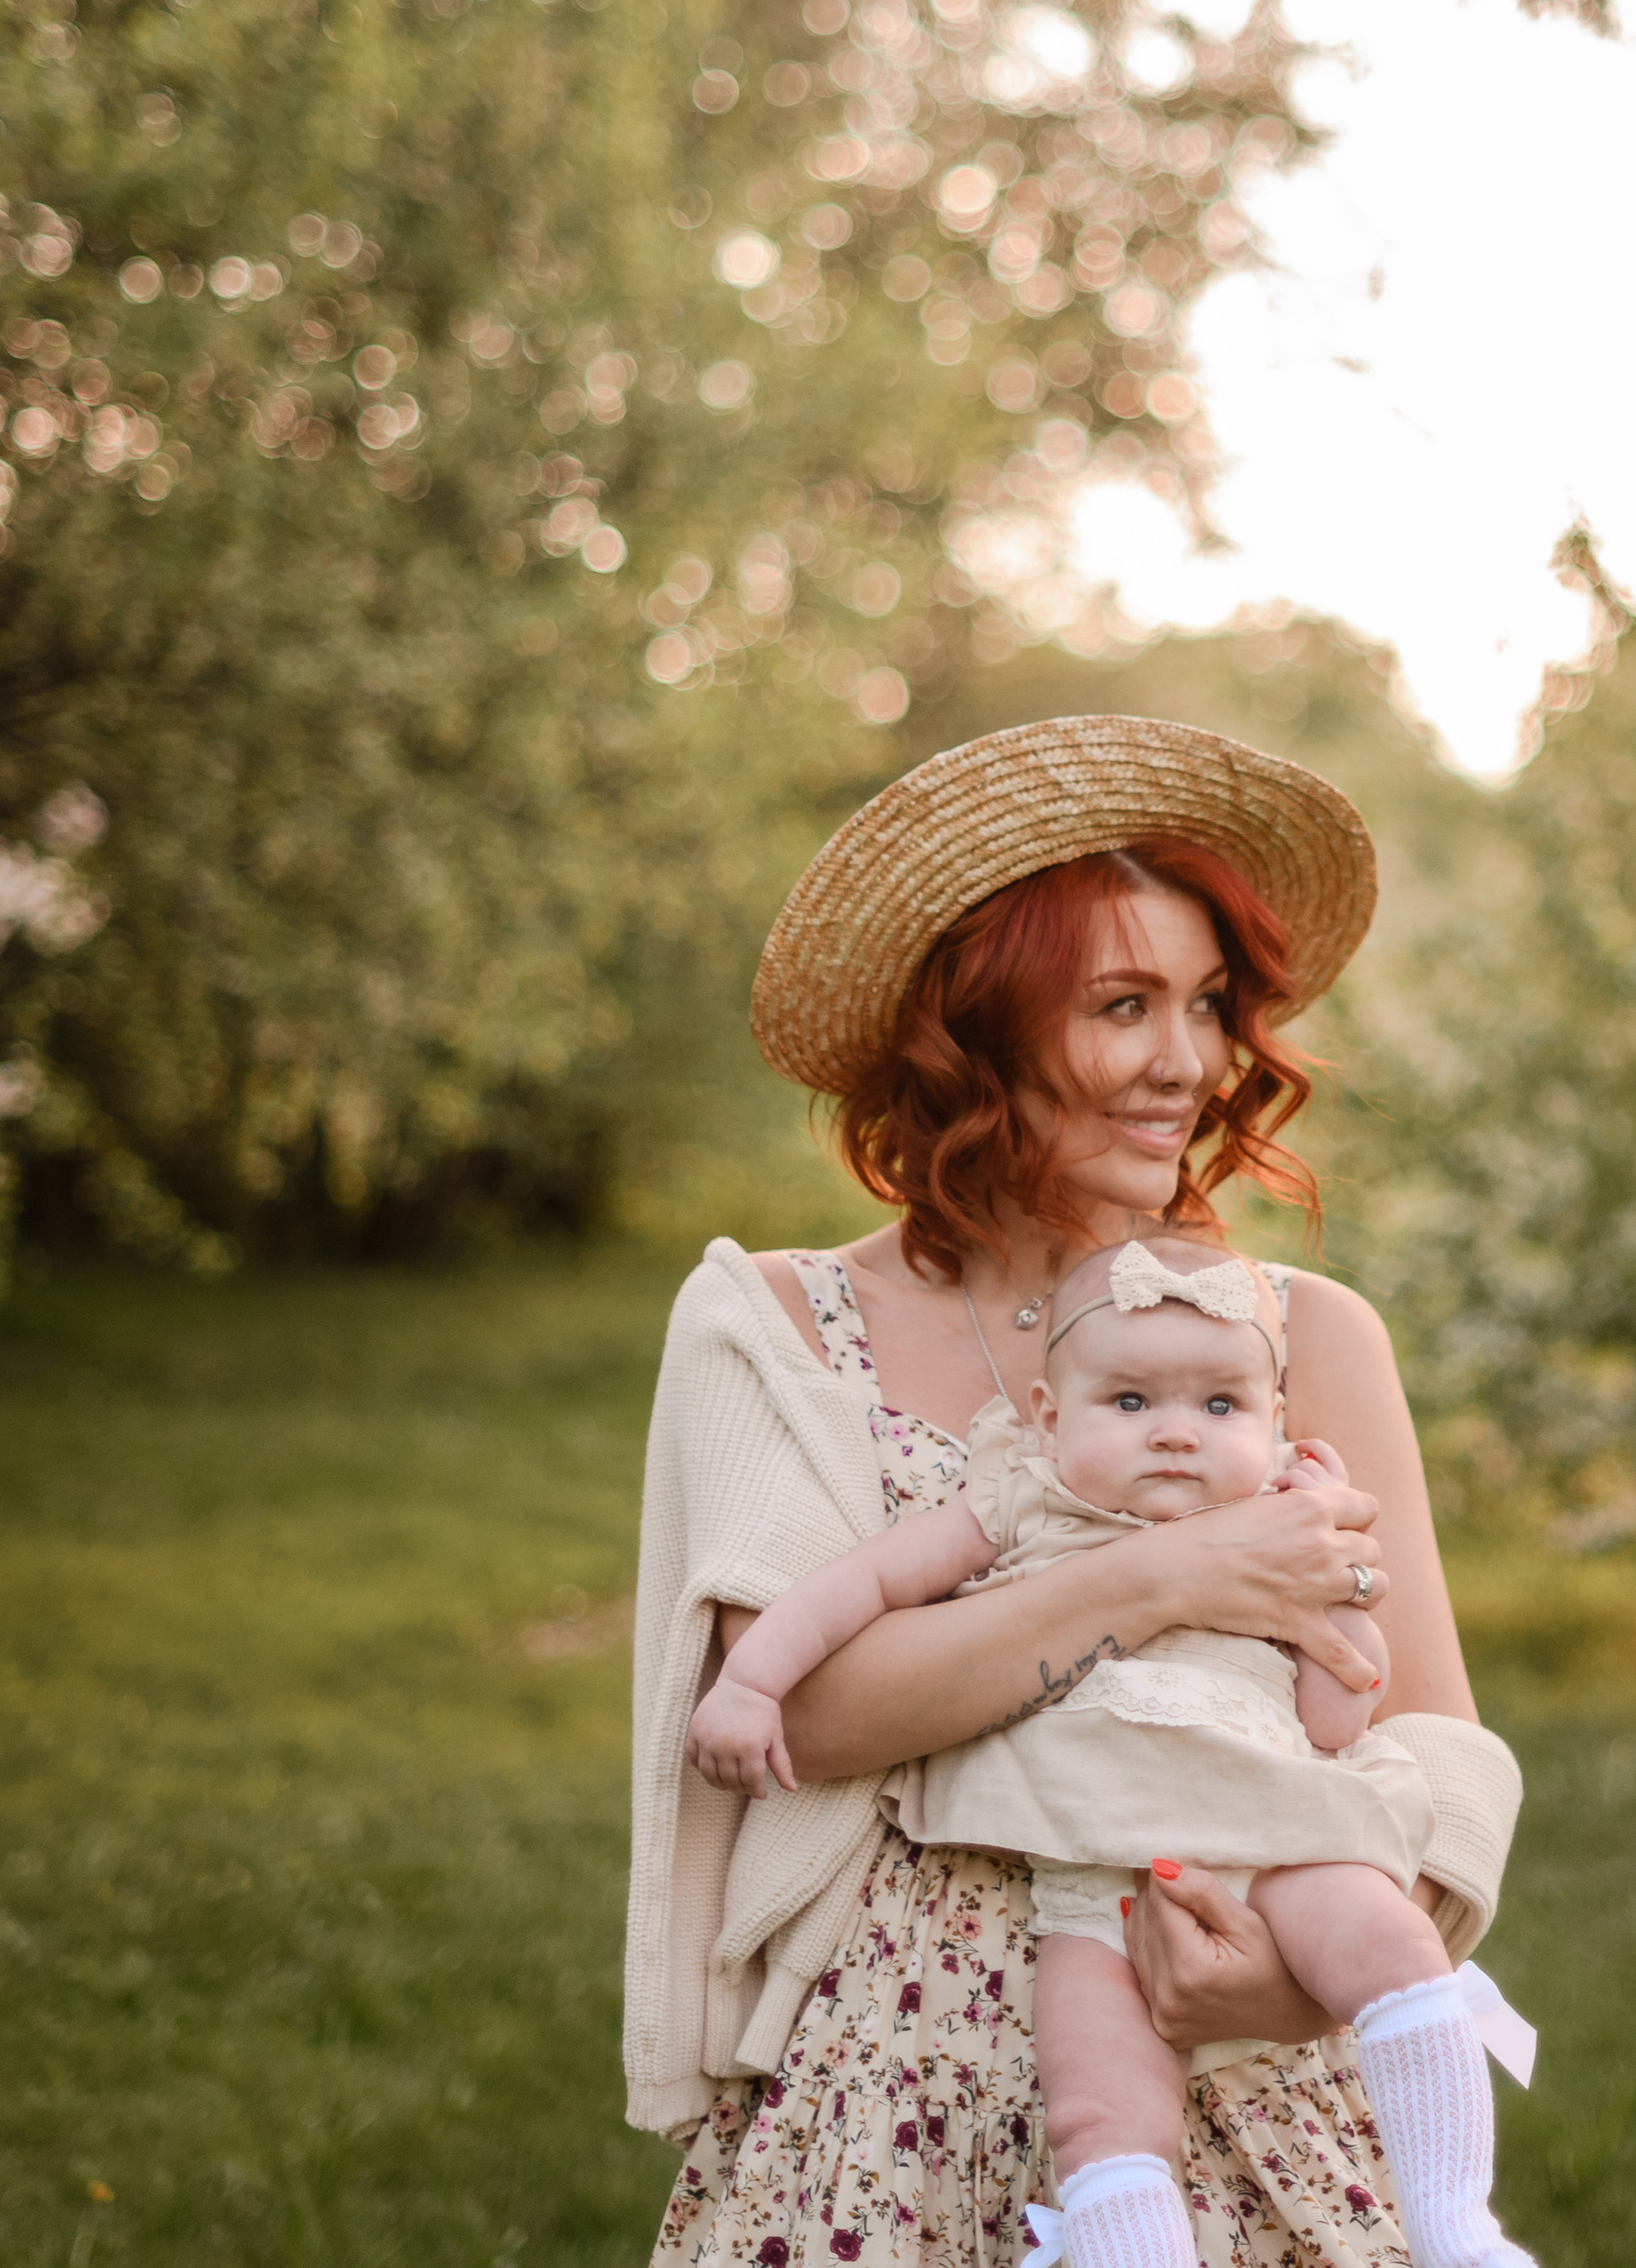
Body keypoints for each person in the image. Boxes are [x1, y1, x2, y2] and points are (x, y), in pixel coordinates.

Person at [627, 716, 1529, 2268]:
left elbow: (1433, 1737)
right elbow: (816, 1715)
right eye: (1123, 1007)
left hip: (1232, 2029)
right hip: (889, 2084)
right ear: (968, 1037)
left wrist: (1300, 1979)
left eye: (1205, 1005)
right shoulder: (769, 1328)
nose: (1187, 1062)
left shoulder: (1305, 1339)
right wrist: (1167, 1577)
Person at [686, 1230, 1535, 2268]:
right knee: (1098, 2108)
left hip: (1281, 1835)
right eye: (1131, 1404)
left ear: (1274, 1421)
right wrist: (753, 1680)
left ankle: (1456, 2230)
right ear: (1049, 1417)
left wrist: (1343, 1598)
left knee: (1399, 1956)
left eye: (1218, 1408)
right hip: (1089, 1875)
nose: (1176, 1434)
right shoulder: (1023, 1498)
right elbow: (856, 1588)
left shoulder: (1280, 1522)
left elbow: (1336, 1718)